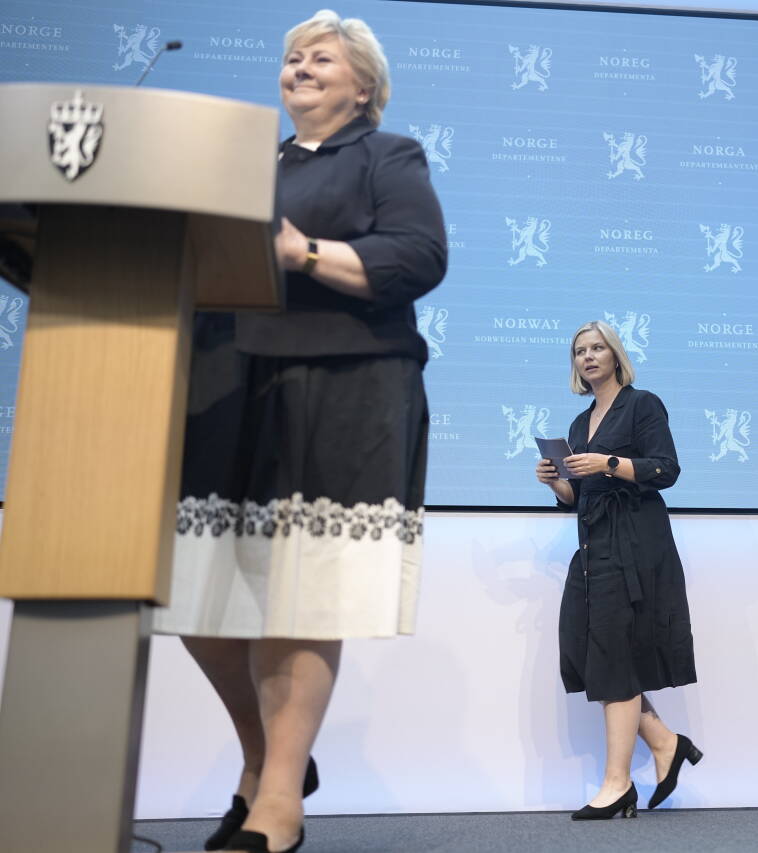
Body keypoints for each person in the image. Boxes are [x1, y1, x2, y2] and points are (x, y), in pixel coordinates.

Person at [150, 10, 446, 853]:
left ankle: (277, 796)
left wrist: (302, 252)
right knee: (194, 590)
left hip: (339, 383)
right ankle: (267, 755)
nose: (300, 67)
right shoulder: (242, 164)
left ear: (363, 87)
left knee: (296, 592)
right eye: (290, 58)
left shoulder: (388, 156)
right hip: (225, 383)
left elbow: (417, 257)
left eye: (322, 58)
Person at [534, 321, 702, 820]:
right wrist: (556, 483)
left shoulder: (642, 404)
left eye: (596, 348)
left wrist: (607, 462)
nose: (587, 357)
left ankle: (616, 783)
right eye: (579, 350)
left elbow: (666, 470)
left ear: (614, 355)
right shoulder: (578, 424)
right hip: (594, 548)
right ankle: (667, 744)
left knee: (614, 658)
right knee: (597, 657)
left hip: (635, 545)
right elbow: (576, 499)